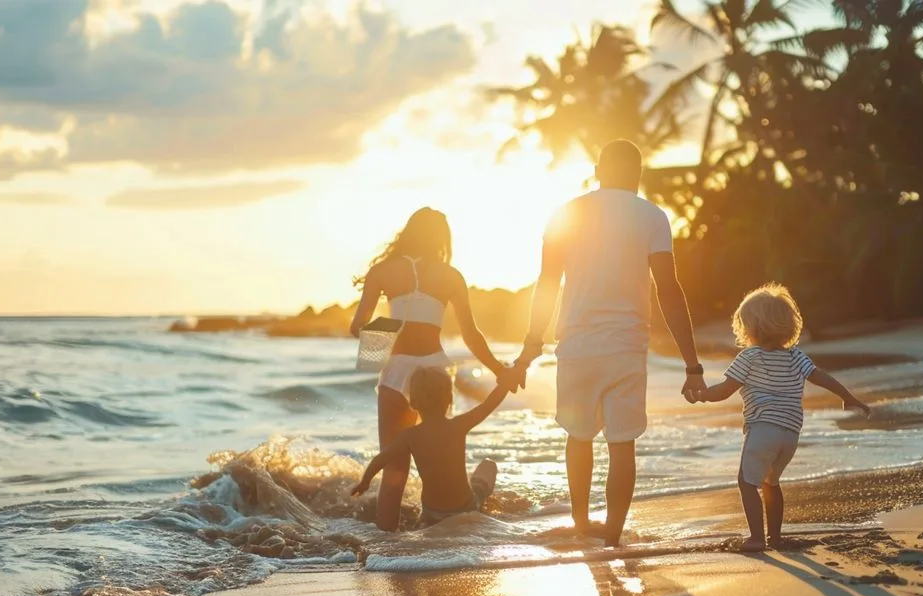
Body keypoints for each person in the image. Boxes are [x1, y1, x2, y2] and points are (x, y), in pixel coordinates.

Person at [512, 139, 707, 548]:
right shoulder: (652, 216)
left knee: (578, 437)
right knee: (622, 443)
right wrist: (692, 365)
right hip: (626, 345)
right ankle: (613, 533)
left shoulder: (566, 213)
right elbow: (669, 290)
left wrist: (531, 344)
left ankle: (583, 526)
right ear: (636, 173)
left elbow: (547, 284)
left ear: (599, 169)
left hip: (577, 345)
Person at [349, 207, 511, 531]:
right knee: (440, 455)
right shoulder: (450, 275)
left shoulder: (383, 270)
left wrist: (391, 335)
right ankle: (447, 518)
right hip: (436, 371)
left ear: (408, 232)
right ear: (441, 239)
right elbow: (470, 334)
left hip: (396, 372)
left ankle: (387, 549)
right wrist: (498, 369)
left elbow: (358, 327)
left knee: (394, 472)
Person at [694, 283, 871, 551]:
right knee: (771, 482)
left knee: (747, 482)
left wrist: (702, 395)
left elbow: (725, 390)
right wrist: (847, 396)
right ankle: (774, 537)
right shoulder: (795, 356)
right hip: (790, 432)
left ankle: (756, 538)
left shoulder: (750, 356)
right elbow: (820, 375)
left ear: (750, 326)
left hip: (763, 427)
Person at [350, 367, 506, 526]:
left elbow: (381, 459)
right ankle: (479, 497)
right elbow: (489, 404)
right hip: (465, 507)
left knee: (423, 527)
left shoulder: (409, 436)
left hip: (432, 513)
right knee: (488, 465)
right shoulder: (459, 425)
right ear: (449, 398)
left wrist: (365, 482)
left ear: (413, 402)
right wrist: (506, 384)